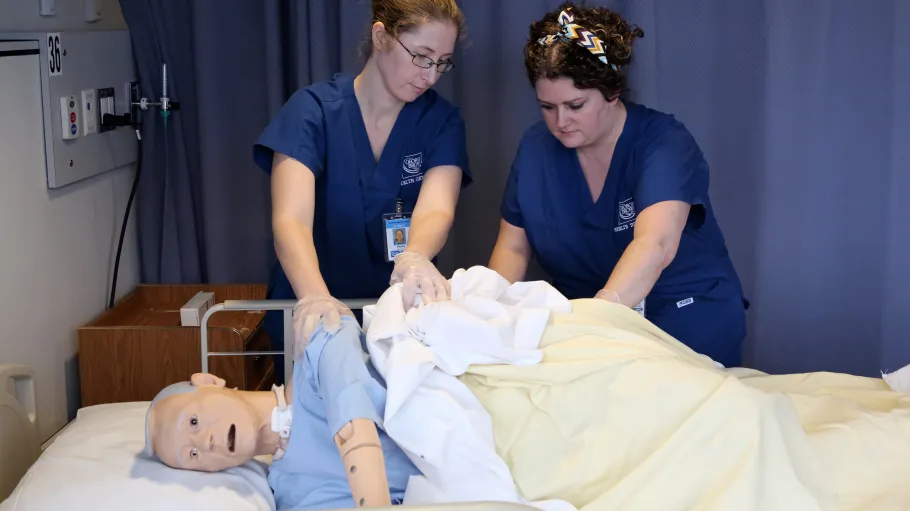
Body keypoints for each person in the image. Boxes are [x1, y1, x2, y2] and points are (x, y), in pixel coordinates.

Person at [487, 2, 749, 368]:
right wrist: (487, 310)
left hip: (680, 317)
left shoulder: (663, 142)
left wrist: (598, 319)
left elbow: (654, 244)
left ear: (611, 92)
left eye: (575, 105)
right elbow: (513, 247)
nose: (560, 121)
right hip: (587, 325)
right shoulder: (536, 149)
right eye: (547, 107)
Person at [253, 0, 471, 378]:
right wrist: (316, 298)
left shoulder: (440, 121)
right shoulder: (312, 112)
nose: (431, 76)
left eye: (442, 62)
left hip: (399, 320)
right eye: (422, 56)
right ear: (381, 36)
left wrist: (415, 256)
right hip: (314, 308)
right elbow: (291, 221)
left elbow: (437, 208)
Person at [144, 317, 420, 509]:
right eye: (193, 455)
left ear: (209, 382)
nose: (205, 442)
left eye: (193, 422)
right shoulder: (293, 495)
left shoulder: (317, 350)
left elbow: (354, 425)